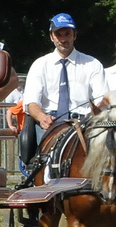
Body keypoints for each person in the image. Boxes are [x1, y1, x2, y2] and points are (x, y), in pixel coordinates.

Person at [22, 13, 108, 169]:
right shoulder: (39, 65)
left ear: (74, 35)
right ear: (51, 37)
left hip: (84, 124)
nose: (63, 38)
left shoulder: (92, 64)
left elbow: (101, 99)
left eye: (67, 33)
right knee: (47, 164)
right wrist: (42, 117)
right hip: (50, 124)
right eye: (58, 34)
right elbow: (31, 103)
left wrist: (93, 115)